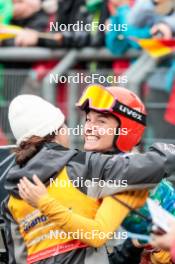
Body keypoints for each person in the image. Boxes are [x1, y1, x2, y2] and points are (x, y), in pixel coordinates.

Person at [5, 88, 175, 263]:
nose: (89, 128)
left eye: (101, 121)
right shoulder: (84, 168)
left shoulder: (123, 177)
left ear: (126, 128)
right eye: (87, 120)